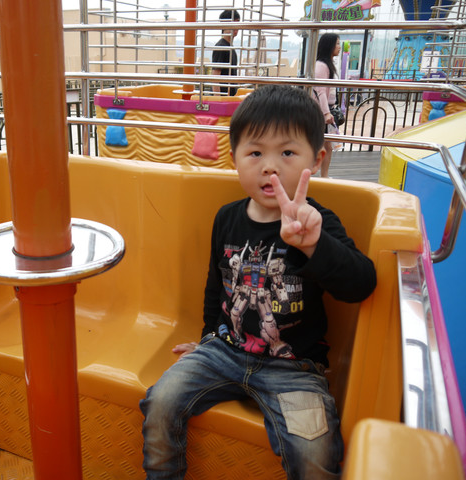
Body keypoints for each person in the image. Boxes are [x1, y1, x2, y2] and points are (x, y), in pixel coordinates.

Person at [140, 85, 377, 480]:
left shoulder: (318, 222)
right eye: (255, 153)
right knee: (160, 401)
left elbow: (361, 285)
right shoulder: (226, 218)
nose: (270, 167)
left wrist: (313, 244)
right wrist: (207, 338)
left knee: (315, 451)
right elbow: (216, 285)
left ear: (317, 158)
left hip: (294, 368)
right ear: (234, 157)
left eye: (287, 153)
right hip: (224, 351)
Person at [313, 33, 342, 178]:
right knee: (322, 146)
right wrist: (326, 113)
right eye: (337, 43)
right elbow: (321, 91)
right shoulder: (322, 65)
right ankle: (321, 176)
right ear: (329, 46)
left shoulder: (327, 64)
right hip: (320, 111)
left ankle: (323, 176)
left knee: (326, 146)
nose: (339, 47)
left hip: (323, 109)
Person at [212, 9, 240, 96]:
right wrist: (218, 99)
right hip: (223, 98)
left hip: (230, 97)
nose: (236, 26)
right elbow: (215, 76)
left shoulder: (230, 47)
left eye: (237, 22)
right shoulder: (221, 46)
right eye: (233, 22)